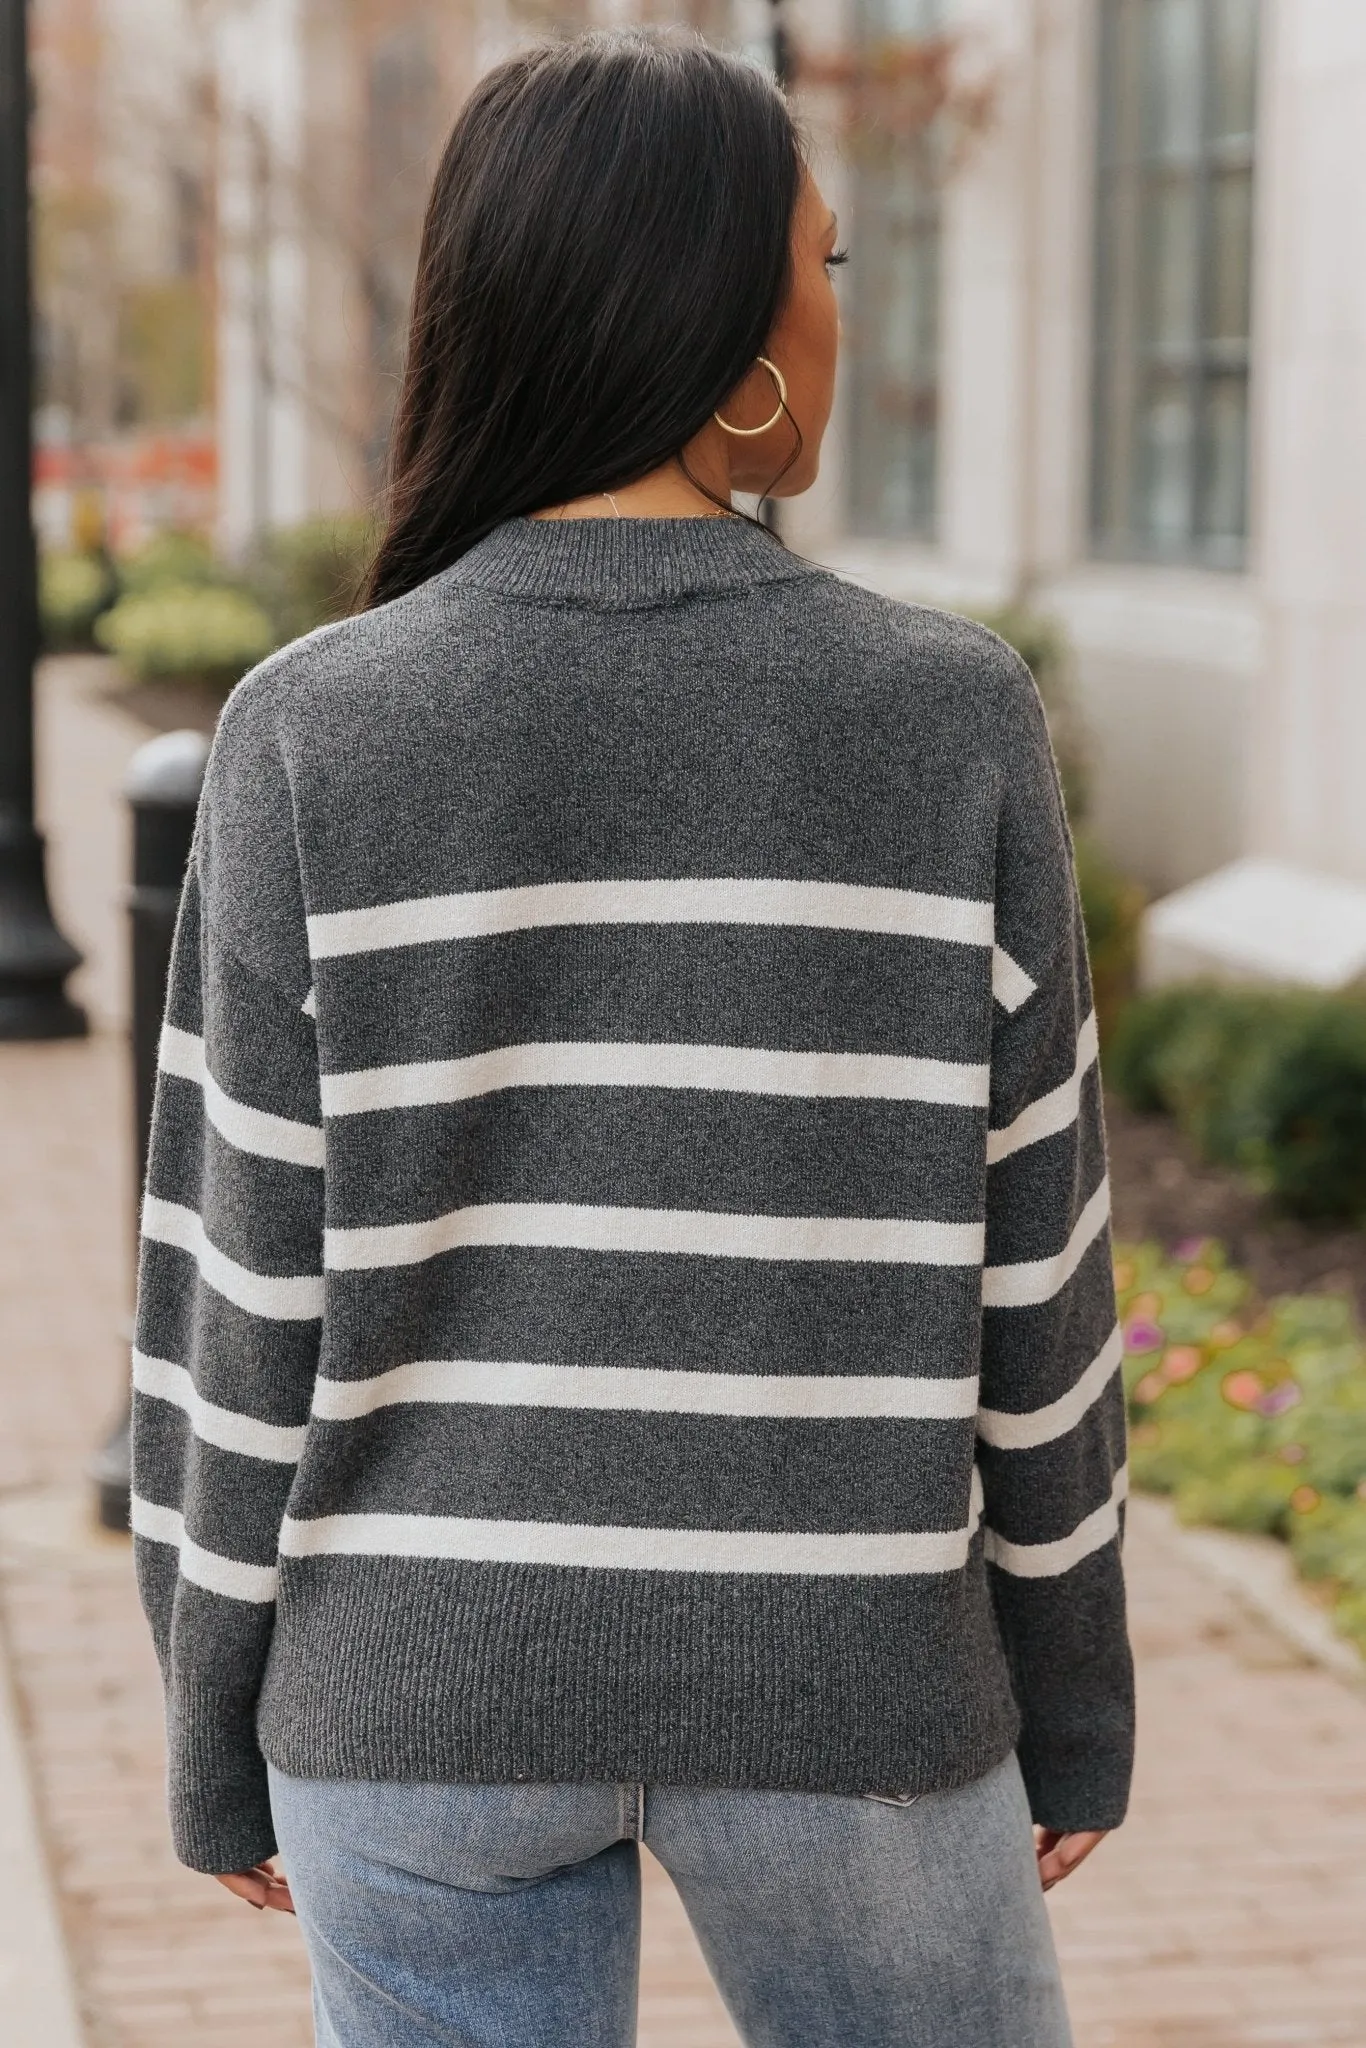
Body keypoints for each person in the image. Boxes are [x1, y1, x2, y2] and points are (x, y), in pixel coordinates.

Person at [131, 28, 1132, 2048]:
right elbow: (1036, 1275)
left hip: (410, 1693)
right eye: (823, 268)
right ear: (724, 325)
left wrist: (210, 1704)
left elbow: (237, 1291)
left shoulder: (311, 729)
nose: (839, 316)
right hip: (850, 1687)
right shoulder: (944, 718)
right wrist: (1075, 1701)